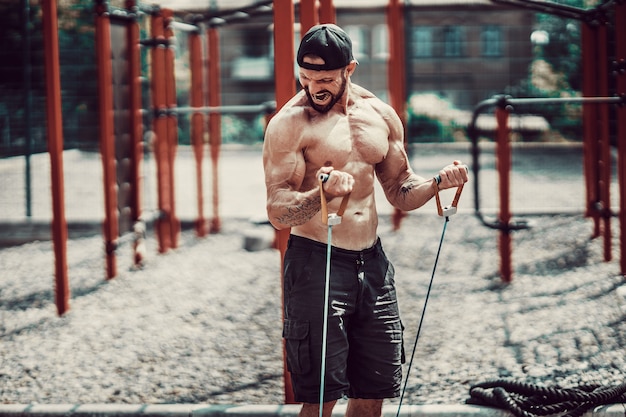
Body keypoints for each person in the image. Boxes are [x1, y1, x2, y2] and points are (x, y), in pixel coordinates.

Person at [262, 23, 468, 417]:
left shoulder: (380, 115)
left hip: (371, 264)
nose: (313, 88)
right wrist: (318, 196)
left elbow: (401, 190)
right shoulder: (289, 124)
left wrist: (437, 183)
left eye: (324, 79)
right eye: (305, 77)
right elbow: (277, 211)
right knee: (322, 396)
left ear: (349, 69)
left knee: (373, 391)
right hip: (315, 262)